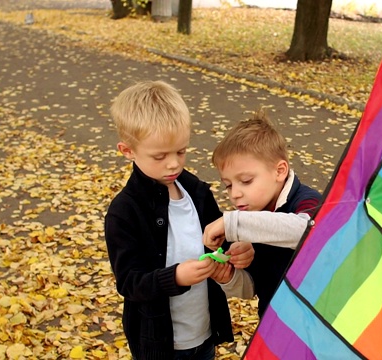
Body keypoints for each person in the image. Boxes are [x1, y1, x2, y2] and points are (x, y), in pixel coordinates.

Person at [104, 80, 254, 359]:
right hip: (161, 345)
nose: (173, 163)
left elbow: (218, 238)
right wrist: (174, 277)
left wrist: (236, 249)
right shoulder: (124, 212)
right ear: (128, 151)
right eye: (159, 156)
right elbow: (129, 282)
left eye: (181, 151)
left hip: (204, 332)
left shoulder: (194, 190)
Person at [203, 109, 322, 316]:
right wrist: (229, 277)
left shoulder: (307, 201)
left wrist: (233, 223)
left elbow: (308, 232)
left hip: (320, 324)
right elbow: (252, 288)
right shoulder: (251, 215)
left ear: (279, 171)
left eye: (246, 181)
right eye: (228, 185)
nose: (235, 194)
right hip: (275, 324)